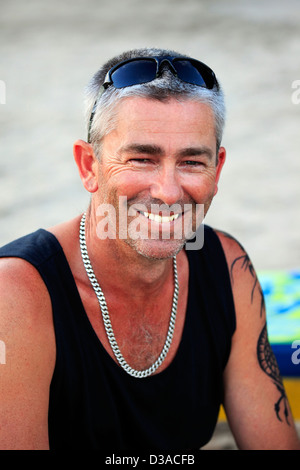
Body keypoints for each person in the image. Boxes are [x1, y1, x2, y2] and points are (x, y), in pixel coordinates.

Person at [0, 47, 299, 451]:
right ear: (89, 165)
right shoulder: (16, 295)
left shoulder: (227, 267)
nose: (169, 191)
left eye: (192, 162)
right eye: (142, 159)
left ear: (218, 169)